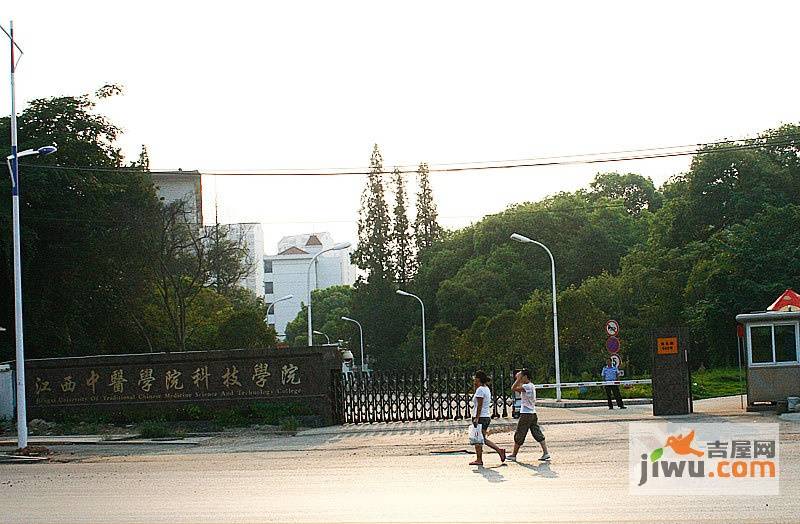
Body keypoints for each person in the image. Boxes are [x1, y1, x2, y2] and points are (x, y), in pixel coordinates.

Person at [507, 369, 550, 462]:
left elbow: (513, 388)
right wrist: (519, 378)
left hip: (526, 413)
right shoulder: (531, 386)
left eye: (522, 376)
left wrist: (518, 379)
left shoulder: (527, 386)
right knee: (536, 432)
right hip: (532, 413)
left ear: (526, 377)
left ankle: (514, 454)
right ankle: (545, 452)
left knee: (520, 433)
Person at [470, 370, 506, 466]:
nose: (474, 380)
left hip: (481, 417)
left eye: (475, 379)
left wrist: (476, 418)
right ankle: (497, 451)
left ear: (478, 379)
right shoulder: (485, 388)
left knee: (478, 439)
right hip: (485, 416)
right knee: (481, 438)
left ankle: (481, 458)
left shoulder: (480, 390)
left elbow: (479, 405)